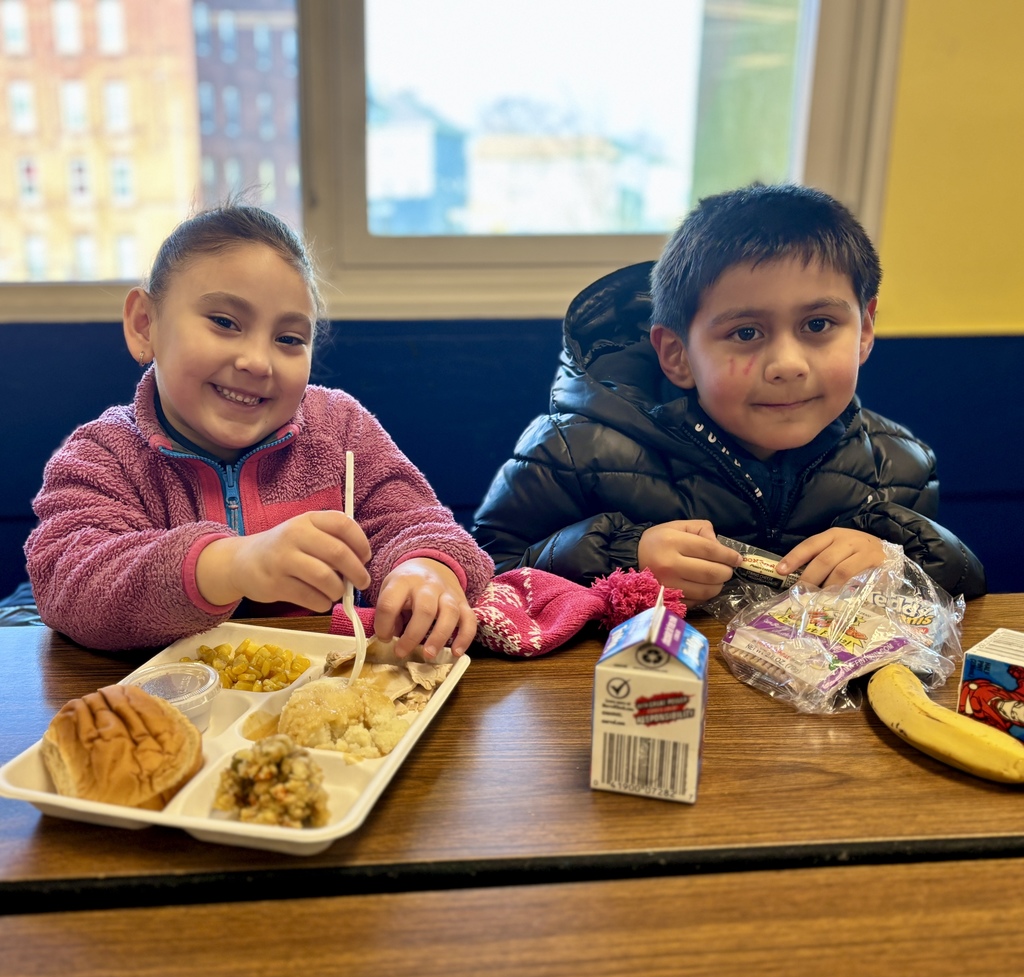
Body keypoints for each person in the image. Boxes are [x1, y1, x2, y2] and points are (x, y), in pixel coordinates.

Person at [472, 182, 985, 603]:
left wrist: (897, 566)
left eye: (818, 323)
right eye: (746, 333)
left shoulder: (898, 465)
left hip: (817, 720)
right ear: (677, 355)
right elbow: (487, 576)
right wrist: (623, 556)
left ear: (865, 330)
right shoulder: (572, 450)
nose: (787, 364)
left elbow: (960, 599)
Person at [26, 203, 493, 652]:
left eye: (289, 339)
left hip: (327, 702)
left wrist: (428, 570)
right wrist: (232, 564)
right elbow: (68, 578)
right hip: (166, 712)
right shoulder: (103, 455)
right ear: (145, 324)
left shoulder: (341, 429)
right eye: (225, 321)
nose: (256, 362)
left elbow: (418, 523)